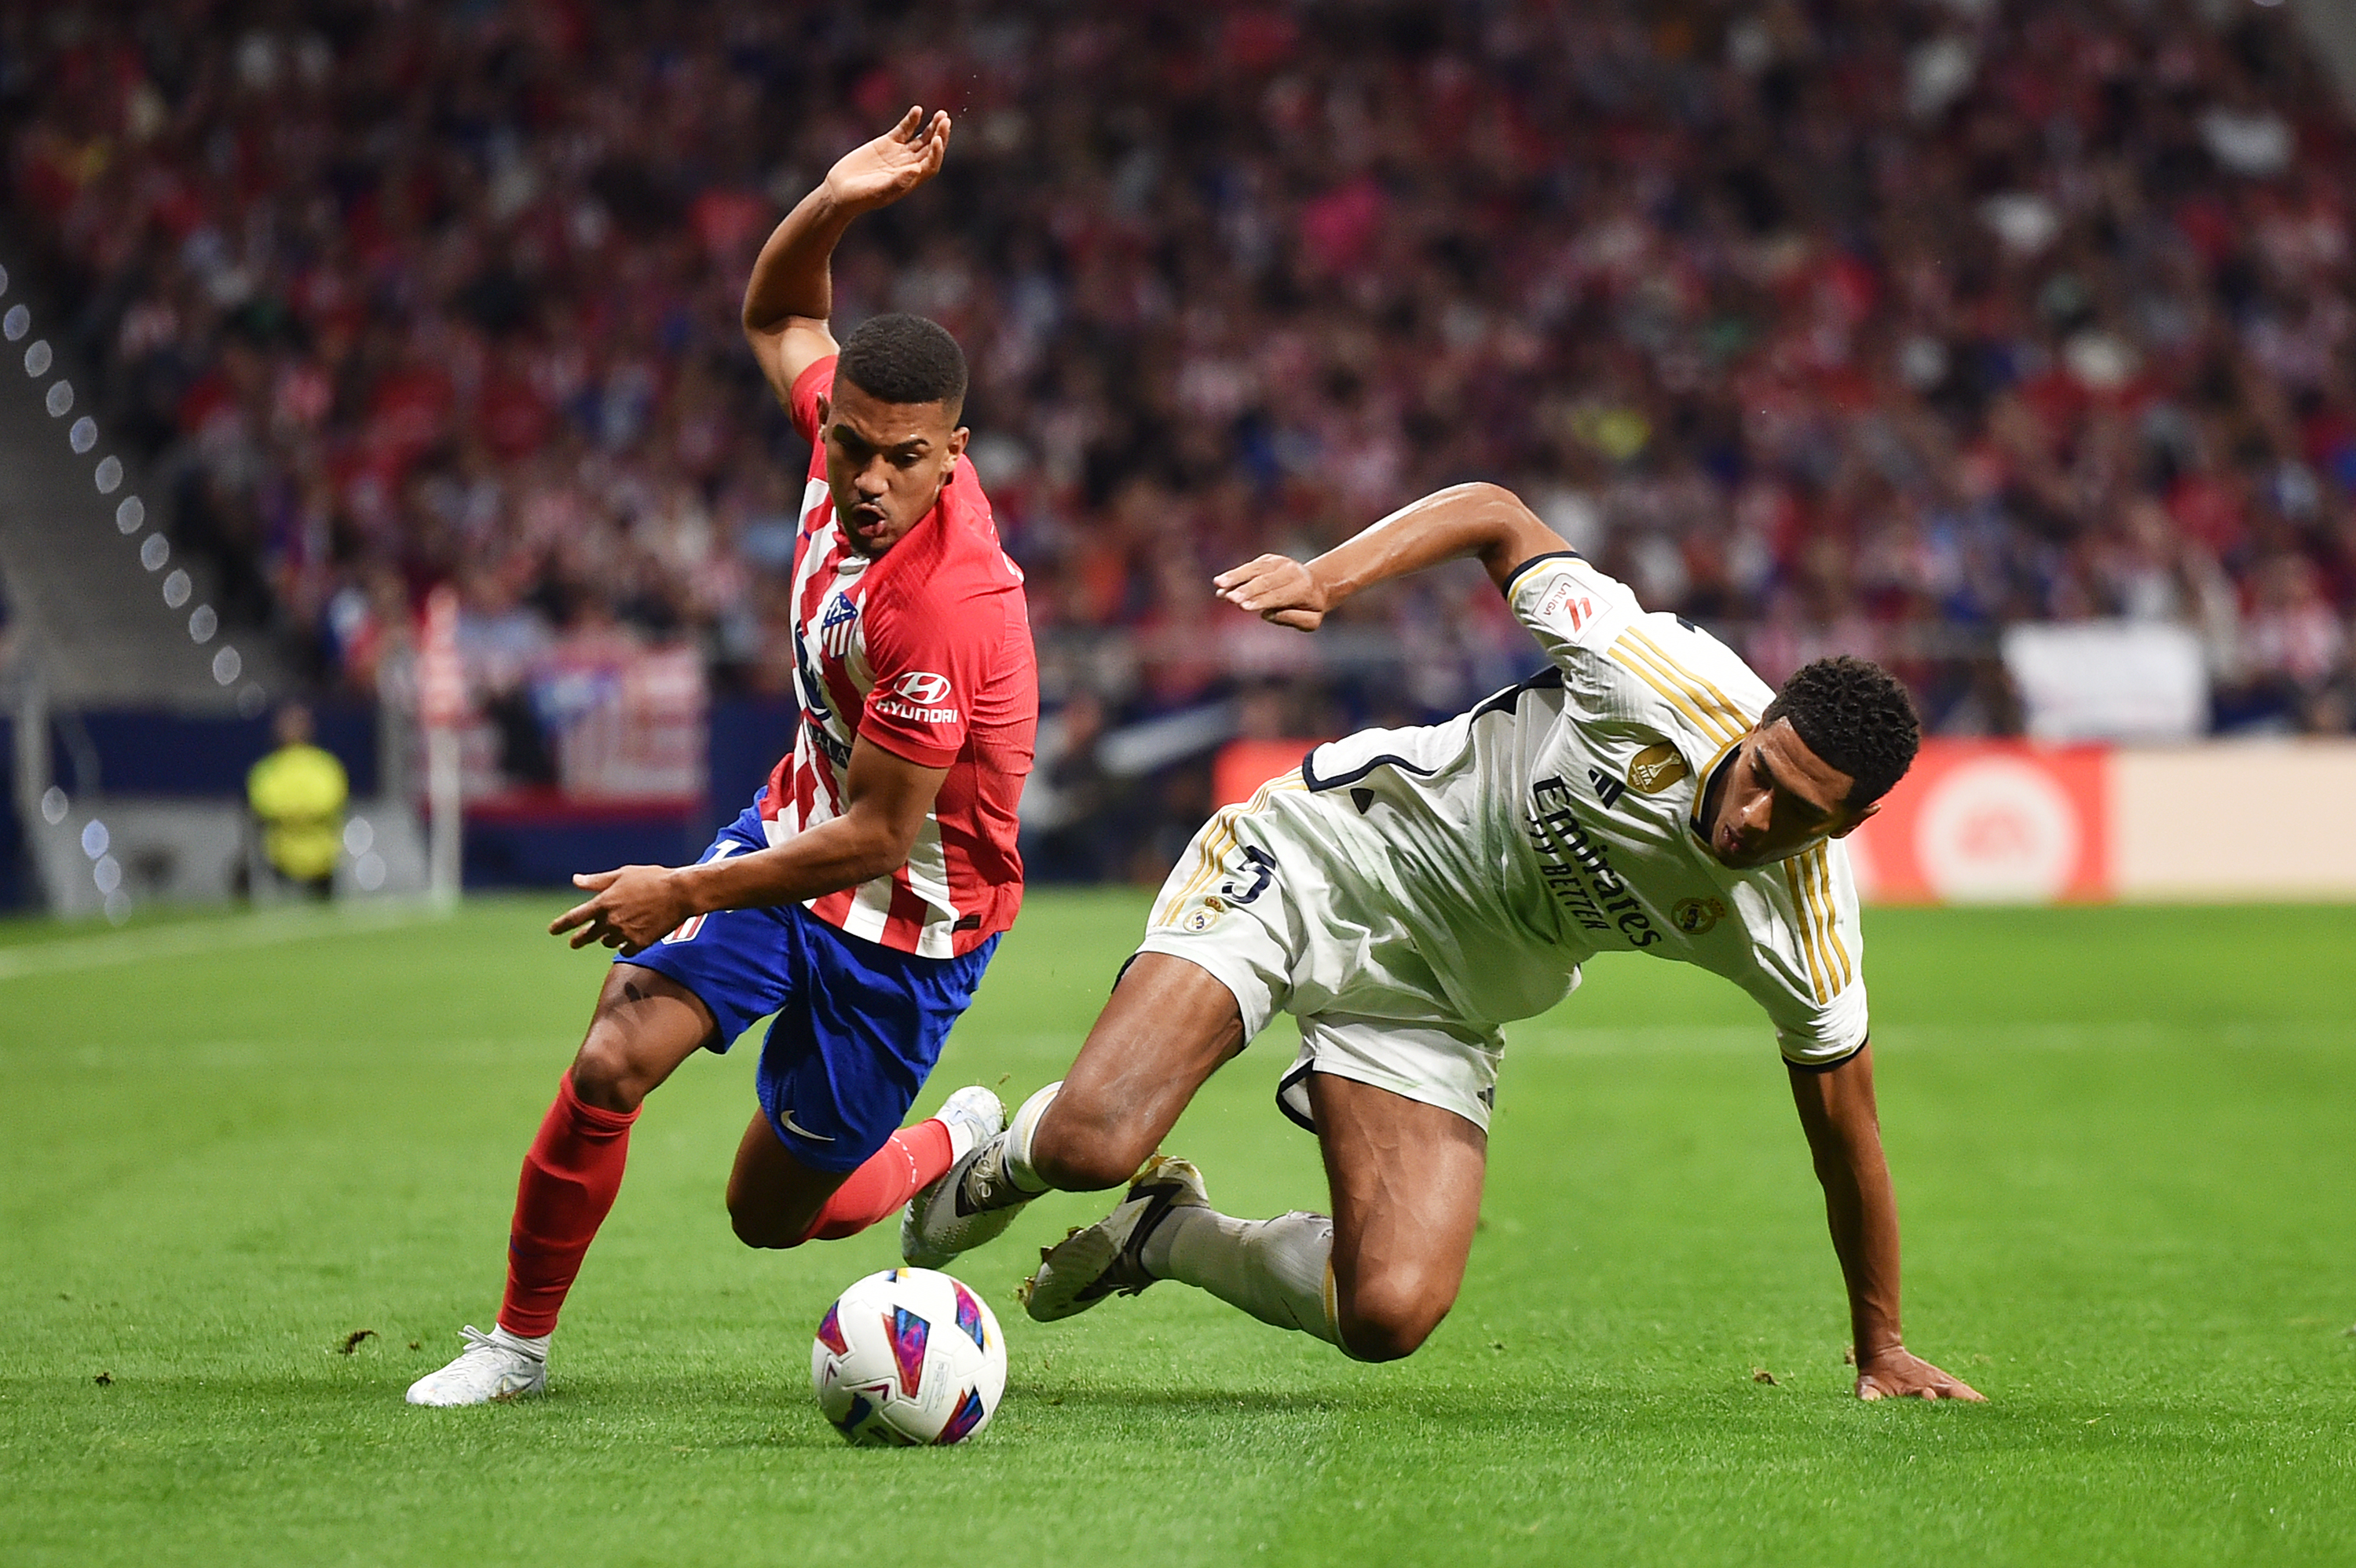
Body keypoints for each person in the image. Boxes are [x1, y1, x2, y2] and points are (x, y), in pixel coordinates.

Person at [909, 481, 1985, 1402]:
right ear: (1752, 730)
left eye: (1799, 812)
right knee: (1092, 1141)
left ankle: (1168, 1236)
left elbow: (1850, 1141)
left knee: (1387, 1312)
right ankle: (995, 1154)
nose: (1755, 818)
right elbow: (1493, 513)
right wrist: (1328, 578)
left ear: (1848, 825)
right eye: (1760, 775)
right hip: (1329, 857)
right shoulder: (1652, 675)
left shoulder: (1807, 928)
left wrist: (1880, 1342)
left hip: (1443, 1001)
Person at [409, 108, 1037, 1405]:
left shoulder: (949, 608)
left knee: (775, 1213)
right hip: (787, 833)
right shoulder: (839, 446)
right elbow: (777, 318)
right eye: (849, 446)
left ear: (953, 457)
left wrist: (681, 889)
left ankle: (954, 1142)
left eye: (902, 460)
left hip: (909, 924)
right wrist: (834, 200)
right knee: (610, 1057)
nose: (865, 480)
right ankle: (515, 1345)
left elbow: (875, 842)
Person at [247, 704, 347, 899]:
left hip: (321, 862)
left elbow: (331, 803)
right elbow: (262, 807)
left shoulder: (325, 766)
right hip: (281, 860)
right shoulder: (267, 769)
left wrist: (291, 813)